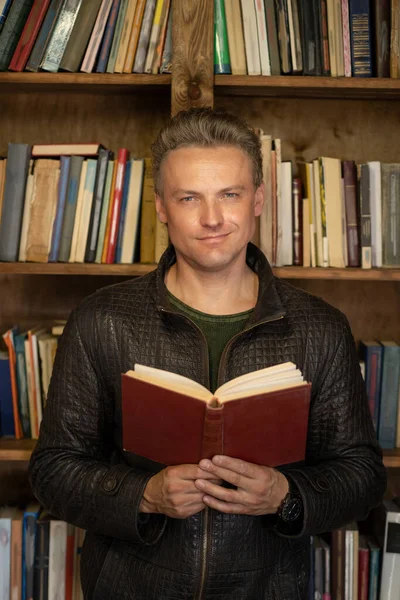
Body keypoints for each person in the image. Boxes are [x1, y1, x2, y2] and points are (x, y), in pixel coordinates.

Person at [29, 108, 386, 599]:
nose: (213, 218)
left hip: (268, 588)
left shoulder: (320, 328)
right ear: (161, 207)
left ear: (258, 199)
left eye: (230, 194)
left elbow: (362, 477)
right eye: (189, 197)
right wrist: (145, 495)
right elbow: (53, 471)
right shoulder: (101, 320)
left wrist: (286, 495)